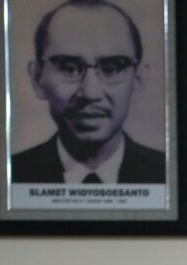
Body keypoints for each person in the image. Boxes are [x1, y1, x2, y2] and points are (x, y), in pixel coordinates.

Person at [9, 0, 167, 186]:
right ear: (38, 79)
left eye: (112, 69)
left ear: (137, 81)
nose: (90, 93)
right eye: (68, 68)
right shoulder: (12, 177)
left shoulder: (164, 175)